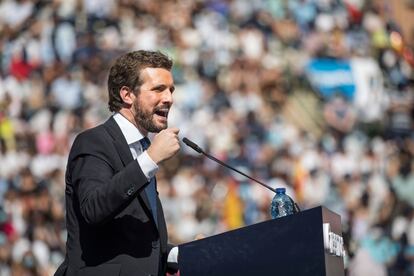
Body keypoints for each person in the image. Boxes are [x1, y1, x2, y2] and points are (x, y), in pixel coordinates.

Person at [55, 50, 180, 276]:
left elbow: (134, 241)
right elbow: (93, 208)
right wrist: (150, 159)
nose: (169, 98)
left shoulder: (142, 150)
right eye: (158, 89)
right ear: (127, 95)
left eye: (171, 89)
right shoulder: (94, 142)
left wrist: (182, 254)